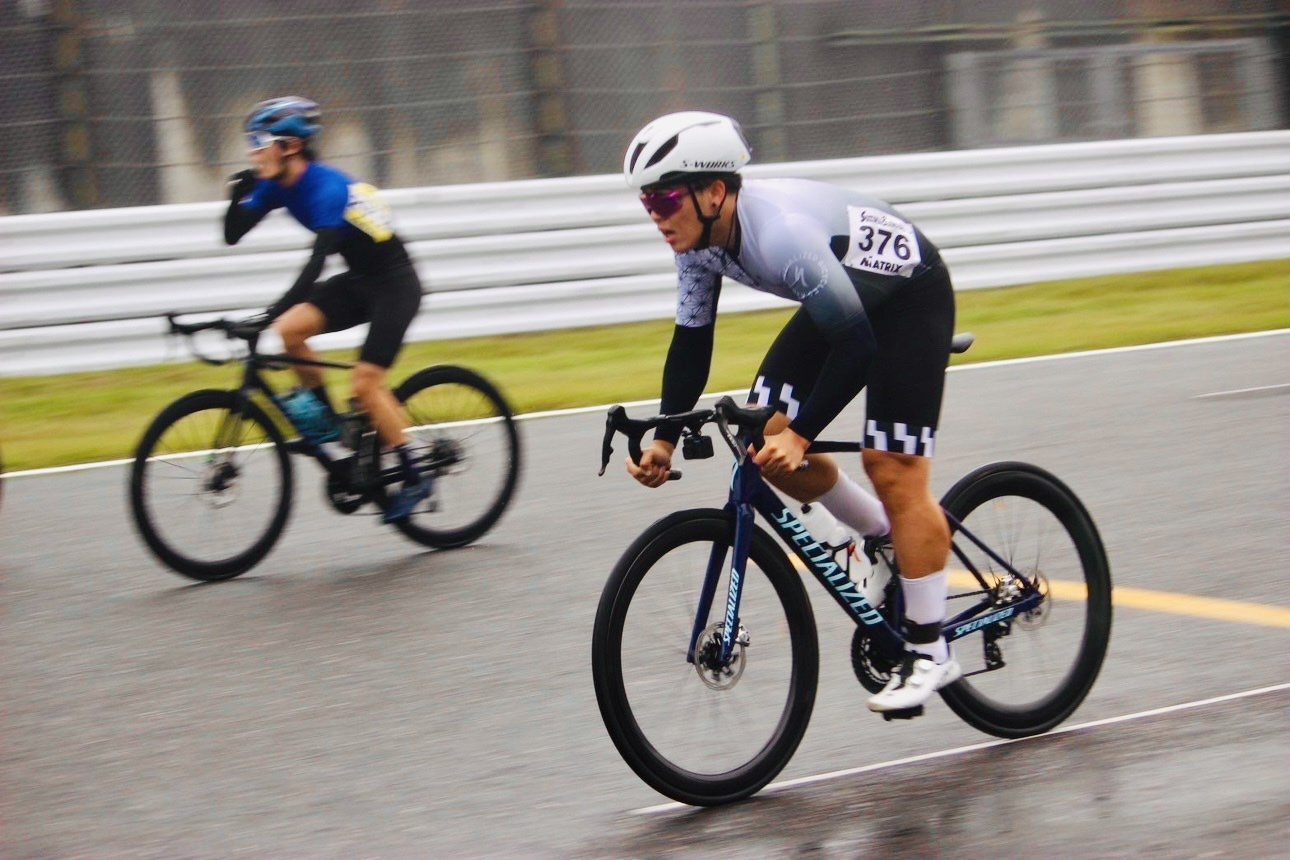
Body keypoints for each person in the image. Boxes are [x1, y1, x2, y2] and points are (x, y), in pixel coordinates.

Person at [622, 111, 959, 714]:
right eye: (647, 200)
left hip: (910, 299)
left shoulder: (780, 236)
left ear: (714, 192)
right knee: (762, 434)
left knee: (892, 469)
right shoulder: (697, 245)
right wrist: (664, 440)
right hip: (850, 295)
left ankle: (931, 652)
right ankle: (881, 538)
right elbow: (692, 343)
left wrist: (803, 435)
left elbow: (858, 349)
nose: (655, 213)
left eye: (665, 197)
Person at [223, 96, 428, 523]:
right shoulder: (276, 185)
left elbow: (315, 266)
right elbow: (233, 234)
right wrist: (235, 198)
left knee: (366, 385)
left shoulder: (327, 189)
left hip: (395, 286)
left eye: (259, 143)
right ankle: (329, 426)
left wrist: (266, 313)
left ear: (291, 147)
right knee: (291, 330)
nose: (252, 153)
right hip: (360, 280)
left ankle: (414, 474)